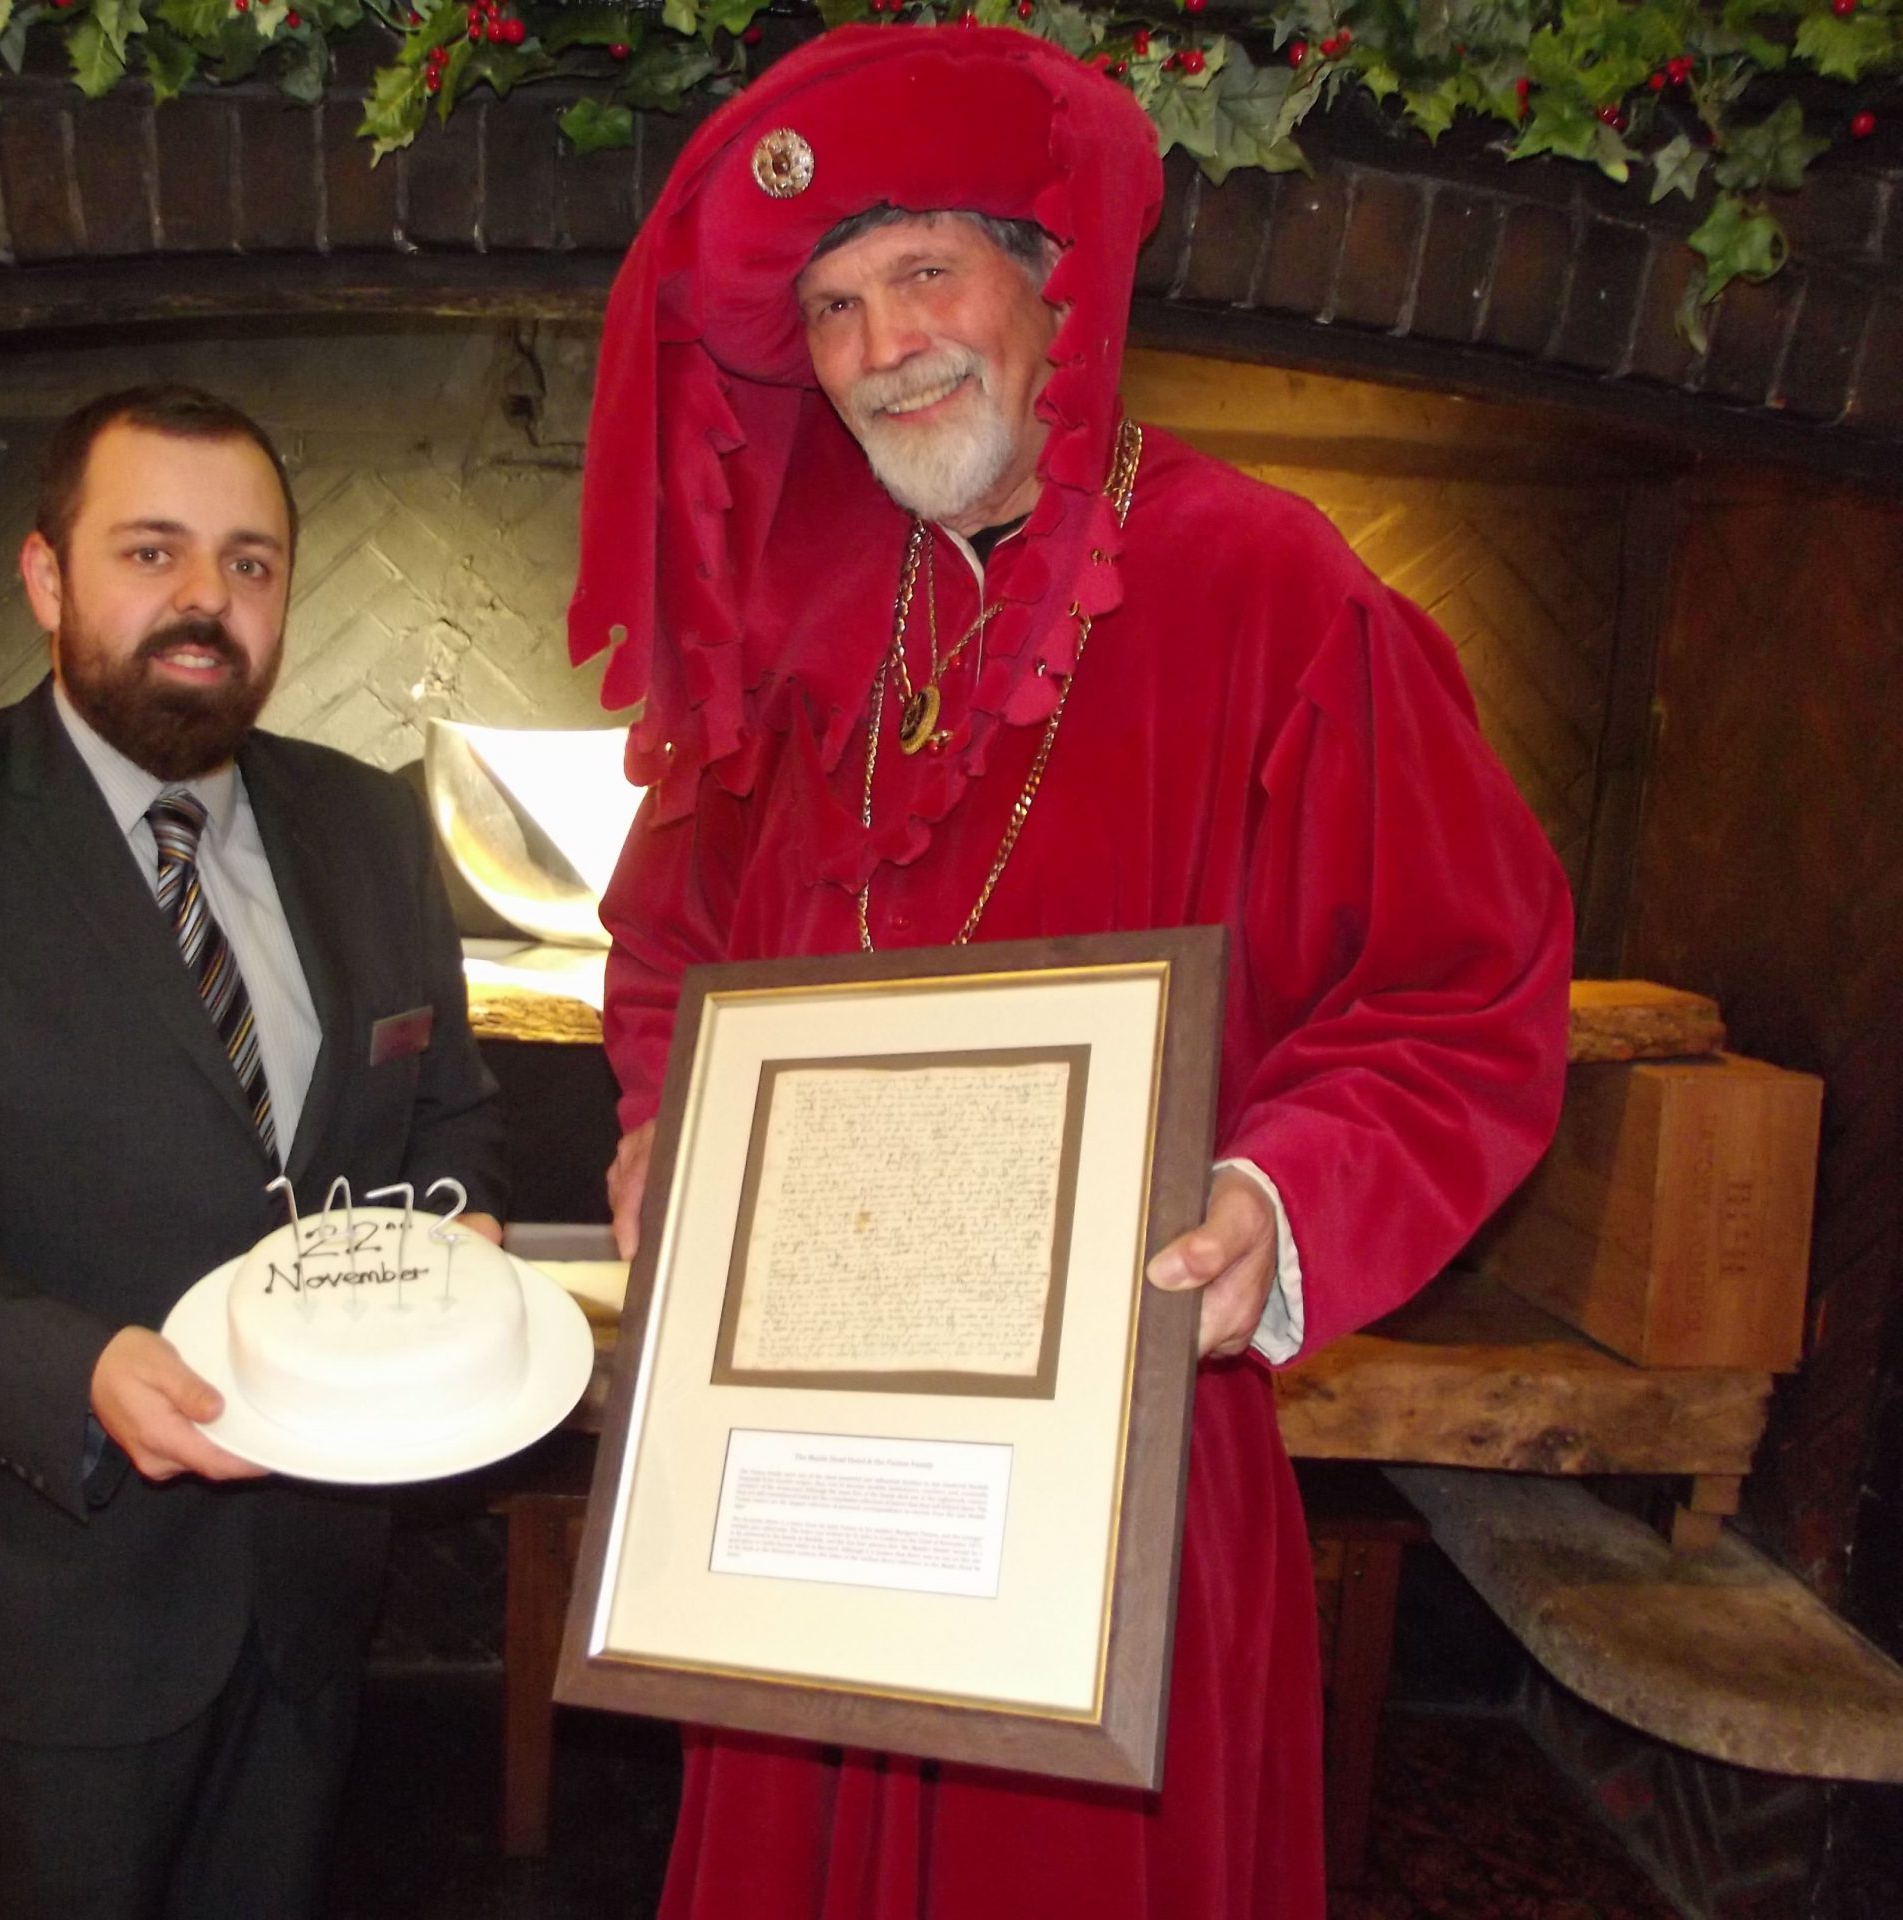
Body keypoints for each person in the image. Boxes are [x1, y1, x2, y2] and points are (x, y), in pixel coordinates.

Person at [570, 27, 1572, 1919]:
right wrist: (656, 1118)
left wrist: (1279, 1200)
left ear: (1049, 289)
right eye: (837, 304)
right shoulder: (787, 626)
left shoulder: (1271, 588)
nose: (883, 347)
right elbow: (668, 945)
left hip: (1120, 1468)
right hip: (796, 1455)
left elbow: (1466, 987)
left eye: (926, 274)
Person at [0, 384, 505, 1920]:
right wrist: (74, 1368)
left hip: (306, 1578)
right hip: (38, 1588)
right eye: (151, 552)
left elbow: (447, 1110)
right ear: (46, 577)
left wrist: (458, 1234)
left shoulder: (367, 825)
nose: (204, 602)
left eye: (249, 563)